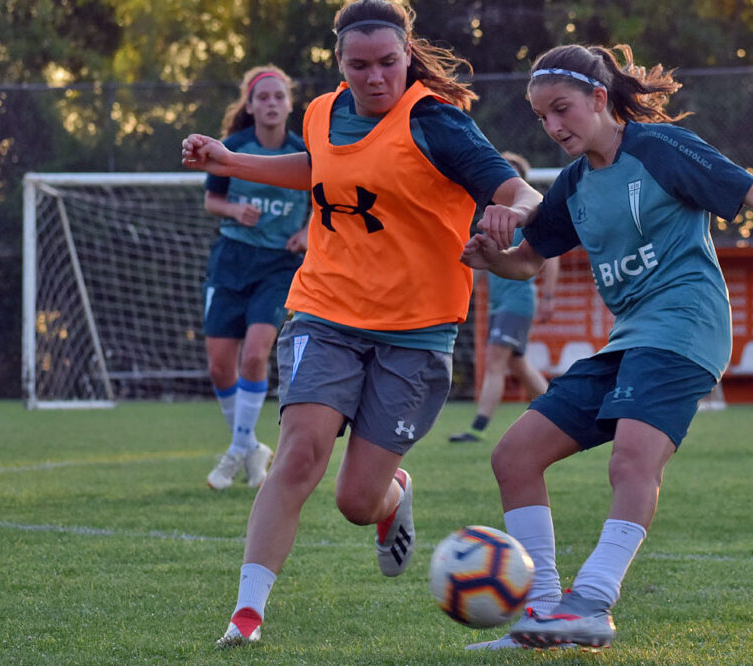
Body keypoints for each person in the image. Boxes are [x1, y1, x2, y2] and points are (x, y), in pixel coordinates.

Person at [460, 43, 753, 650]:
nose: (554, 126)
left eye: (562, 109)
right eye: (542, 117)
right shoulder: (573, 185)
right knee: (513, 456)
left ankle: (589, 602)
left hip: (686, 323)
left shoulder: (659, 151)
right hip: (629, 338)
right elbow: (529, 262)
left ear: (598, 97)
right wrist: (491, 262)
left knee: (633, 460)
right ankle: (543, 613)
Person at [181, 0, 542, 648]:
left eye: (387, 63)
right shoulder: (321, 112)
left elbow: (518, 191)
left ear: (408, 56)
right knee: (298, 454)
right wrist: (230, 163)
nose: (374, 78)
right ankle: (247, 613)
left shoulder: (438, 124)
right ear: (339, 63)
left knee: (355, 502)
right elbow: (317, 167)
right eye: (359, 65)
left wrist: (509, 213)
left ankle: (391, 495)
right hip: (325, 310)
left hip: (417, 333)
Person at [200, 65, 311, 491]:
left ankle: (236, 450)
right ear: (249, 105)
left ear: (289, 104)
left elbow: (326, 202)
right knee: (219, 364)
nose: (270, 103)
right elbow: (213, 200)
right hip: (230, 262)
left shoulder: (305, 152)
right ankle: (250, 448)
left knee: (254, 356)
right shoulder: (233, 147)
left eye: (278, 96)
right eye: (262, 97)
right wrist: (234, 210)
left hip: (278, 266)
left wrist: (306, 232)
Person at [449, 152, 561, 444]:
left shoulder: (528, 217)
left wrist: (548, 296)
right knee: (517, 365)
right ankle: (559, 417)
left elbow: (550, 257)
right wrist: (457, 297)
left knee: (496, 363)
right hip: (502, 305)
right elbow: (483, 268)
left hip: (517, 302)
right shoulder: (494, 219)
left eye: (508, 174)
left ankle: (477, 428)